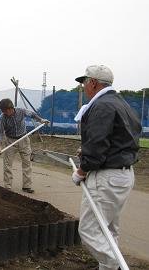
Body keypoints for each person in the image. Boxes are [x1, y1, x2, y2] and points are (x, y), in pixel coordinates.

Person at [73, 65, 141, 270]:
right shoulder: (122, 104)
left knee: (88, 229)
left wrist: (81, 171)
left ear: (93, 82)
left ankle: (114, 264)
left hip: (106, 176)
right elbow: (119, 139)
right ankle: (109, 267)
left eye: (84, 82)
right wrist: (86, 149)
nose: (83, 87)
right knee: (108, 227)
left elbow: (97, 146)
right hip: (122, 174)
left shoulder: (101, 105)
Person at [0, 98, 49, 193]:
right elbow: (0, 132)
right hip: (10, 141)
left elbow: (32, 114)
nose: (3, 112)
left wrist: (41, 120)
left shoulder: (21, 111)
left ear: (10, 109)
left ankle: (26, 186)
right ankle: (7, 187)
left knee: (27, 163)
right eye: (2, 111)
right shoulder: (2, 117)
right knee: (7, 164)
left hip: (23, 139)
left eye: (4, 110)